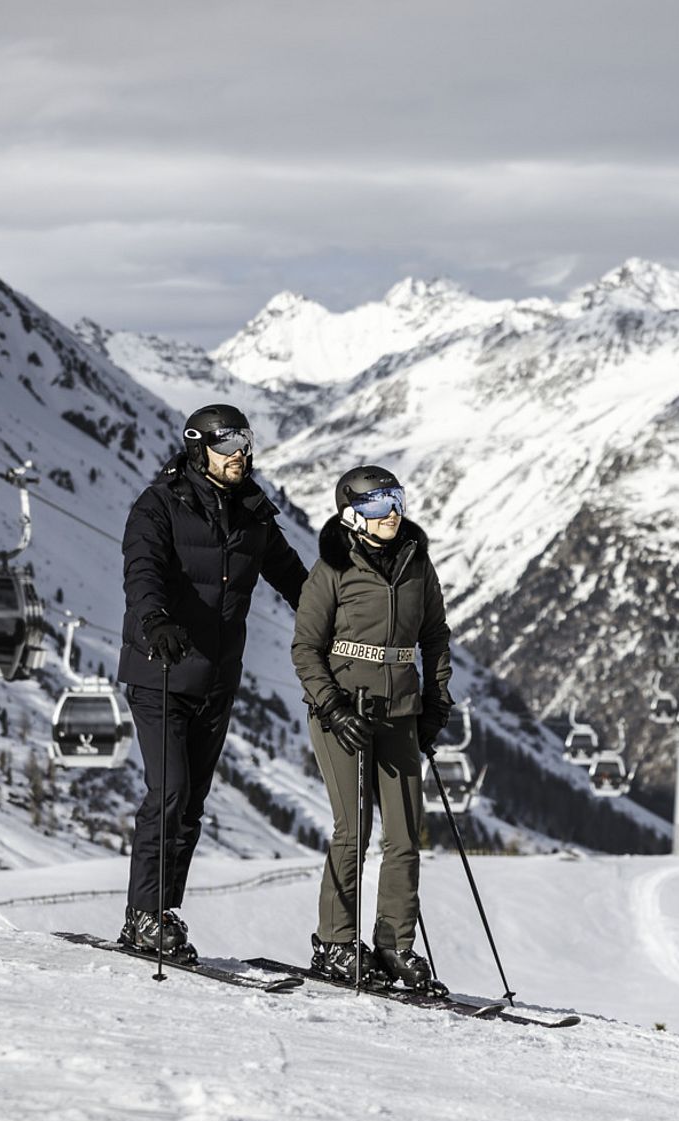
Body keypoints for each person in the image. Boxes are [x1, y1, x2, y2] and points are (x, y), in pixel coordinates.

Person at [117, 404, 306, 961]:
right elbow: (142, 570)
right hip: (162, 669)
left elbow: (295, 579)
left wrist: (341, 620)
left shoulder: (253, 515)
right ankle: (142, 914)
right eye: (229, 450)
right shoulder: (159, 506)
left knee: (192, 804)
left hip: (217, 678)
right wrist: (155, 621)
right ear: (200, 451)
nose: (240, 458)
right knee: (169, 793)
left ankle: (162, 912)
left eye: (245, 448)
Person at [292, 465, 455, 990]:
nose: (391, 513)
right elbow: (306, 649)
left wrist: (436, 701)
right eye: (377, 504)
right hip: (342, 715)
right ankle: (336, 943)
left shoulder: (416, 564)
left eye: (396, 500)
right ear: (351, 513)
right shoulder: (332, 568)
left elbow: (435, 637)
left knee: (406, 836)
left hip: (401, 713)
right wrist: (333, 707)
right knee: (353, 830)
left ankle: (394, 946)